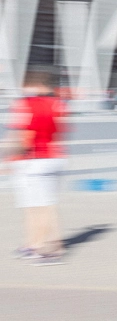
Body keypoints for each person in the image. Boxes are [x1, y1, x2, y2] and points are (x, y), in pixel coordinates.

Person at [3, 69, 68, 265]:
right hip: (53, 157)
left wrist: (7, 158)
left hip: (32, 160)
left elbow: (23, 136)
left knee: (35, 207)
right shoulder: (58, 104)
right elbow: (59, 132)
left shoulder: (25, 104)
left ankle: (42, 249)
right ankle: (37, 245)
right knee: (45, 205)